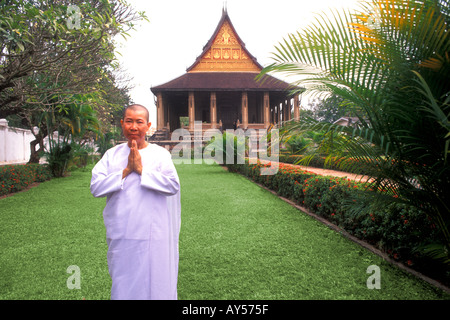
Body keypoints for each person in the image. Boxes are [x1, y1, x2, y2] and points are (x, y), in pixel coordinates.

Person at [90, 104, 181, 300]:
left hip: (153, 234)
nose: (134, 127)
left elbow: (173, 185)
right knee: (123, 281)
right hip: (122, 233)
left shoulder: (160, 155)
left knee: (155, 281)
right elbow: (95, 187)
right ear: (122, 124)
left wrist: (141, 170)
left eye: (139, 122)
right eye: (129, 121)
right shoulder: (111, 155)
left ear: (148, 126)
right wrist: (125, 171)